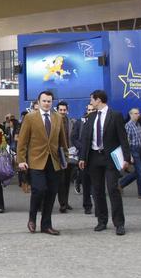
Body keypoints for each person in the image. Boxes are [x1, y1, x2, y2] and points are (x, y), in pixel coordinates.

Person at [16, 91, 68, 235]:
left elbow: (62, 140)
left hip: (54, 161)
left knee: (52, 192)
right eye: (44, 101)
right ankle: (32, 218)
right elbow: (22, 141)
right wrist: (21, 160)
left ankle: (46, 225)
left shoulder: (58, 117)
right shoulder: (30, 118)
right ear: (38, 102)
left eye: (49, 101)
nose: (47, 103)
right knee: (39, 189)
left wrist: (66, 157)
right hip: (36, 161)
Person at [78, 90, 130, 236]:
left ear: (99, 100)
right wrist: (82, 158)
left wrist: (126, 158)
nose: (90, 103)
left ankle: (119, 223)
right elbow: (86, 139)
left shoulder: (116, 116)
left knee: (113, 189)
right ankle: (102, 220)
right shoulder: (91, 116)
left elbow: (123, 138)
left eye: (92, 100)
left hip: (110, 158)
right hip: (94, 157)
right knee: (97, 190)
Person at [119, 108, 141, 200]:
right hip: (133, 150)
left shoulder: (138, 125)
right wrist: (129, 154)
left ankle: (120, 184)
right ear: (130, 115)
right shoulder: (128, 126)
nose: (137, 115)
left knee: (138, 172)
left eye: (138, 113)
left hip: (139, 150)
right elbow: (126, 141)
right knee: (139, 172)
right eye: (135, 113)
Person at [72, 104, 95, 214]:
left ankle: (98, 205)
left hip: (96, 155)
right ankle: (87, 205)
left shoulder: (98, 121)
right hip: (83, 155)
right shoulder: (80, 122)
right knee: (86, 181)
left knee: (96, 182)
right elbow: (74, 137)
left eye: (93, 110)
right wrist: (81, 147)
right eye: (89, 110)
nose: (90, 112)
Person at [55, 101, 76, 213]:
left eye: (64, 110)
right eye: (60, 110)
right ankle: (62, 204)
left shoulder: (70, 121)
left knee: (68, 180)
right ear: (57, 110)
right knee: (61, 180)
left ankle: (66, 202)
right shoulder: (54, 121)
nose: (62, 112)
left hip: (69, 154)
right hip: (58, 154)